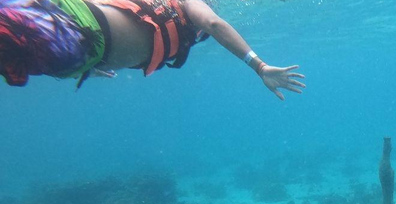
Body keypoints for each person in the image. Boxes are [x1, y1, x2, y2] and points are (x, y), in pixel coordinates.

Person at [0, 0, 305, 99]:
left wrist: (90, 66)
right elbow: (214, 24)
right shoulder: (186, 2)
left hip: (74, 49)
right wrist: (259, 66)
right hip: (73, 30)